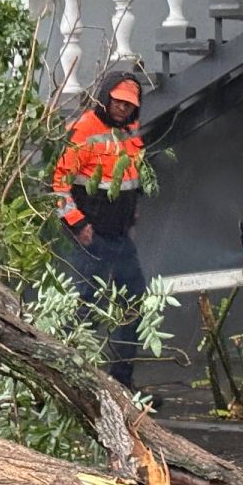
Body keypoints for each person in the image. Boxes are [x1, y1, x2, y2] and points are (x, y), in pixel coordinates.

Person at [53, 71, 146, 389]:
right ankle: (65, 380)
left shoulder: (131, 130)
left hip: (119, 234)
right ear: (105, 98)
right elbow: (59, 187)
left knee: (133, 301)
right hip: (89, 237)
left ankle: (121, 382)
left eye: (128, 104)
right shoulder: (82, 130)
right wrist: (78, 225)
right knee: (82, 306)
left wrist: (131, 218)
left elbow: (133, 178)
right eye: (118, 102)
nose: (122, 108)